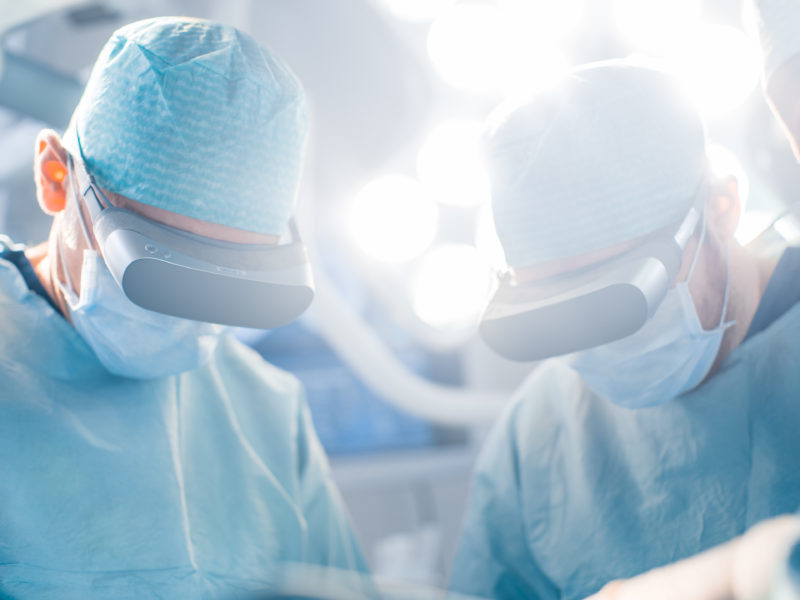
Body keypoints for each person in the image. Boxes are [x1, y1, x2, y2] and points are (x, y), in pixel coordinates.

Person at [0, 17, 366, 598]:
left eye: (230, 278)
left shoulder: (267, 413)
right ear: (55, 178)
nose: (188, 315)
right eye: (159, 270)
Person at [449, 61, 800, 600]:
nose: (596, 340)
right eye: (559, 309)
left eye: (622, 298)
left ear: (721, 209)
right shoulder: (541, 434)